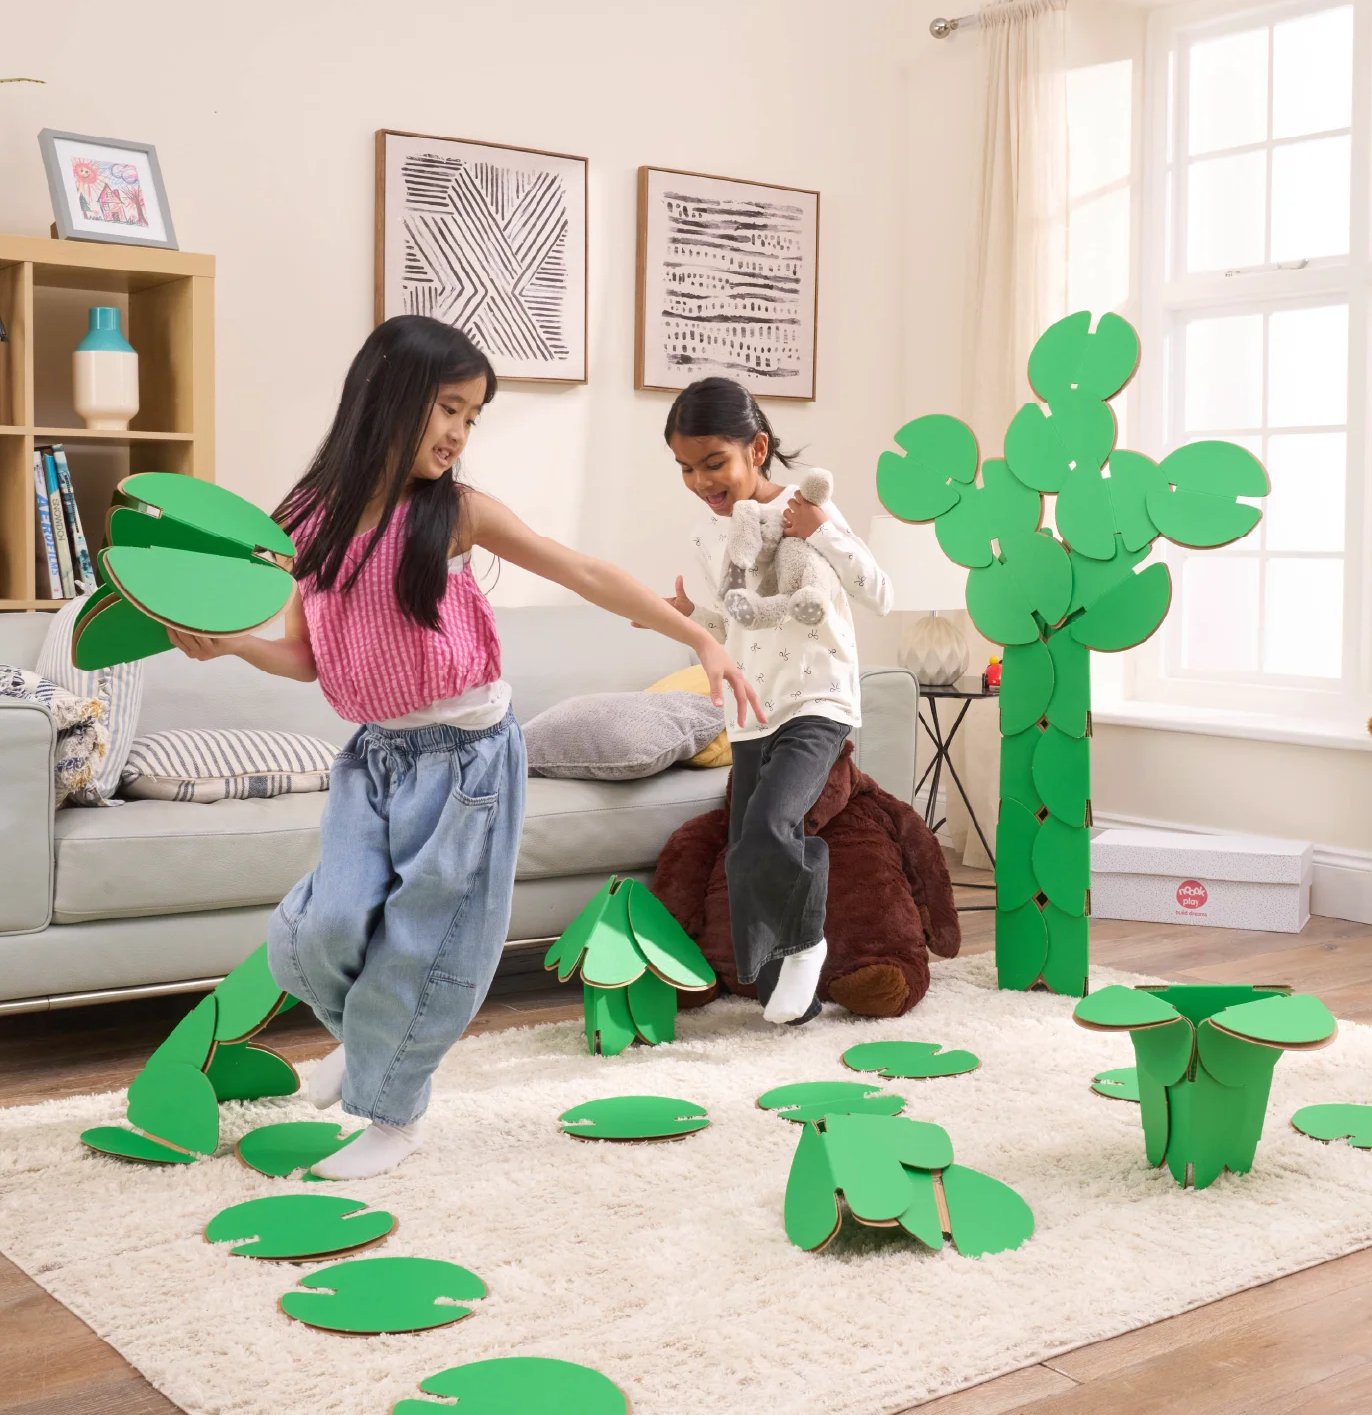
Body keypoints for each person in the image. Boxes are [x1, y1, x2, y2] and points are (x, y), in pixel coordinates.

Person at [170, 316, 762, 1178]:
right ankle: (370, 1043)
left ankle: (393, 1114)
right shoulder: (306, 517)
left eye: (472, 417)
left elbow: (581, 570)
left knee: (426, 944)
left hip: (468, 763)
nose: (458, 433)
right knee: (318, 931)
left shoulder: (454, 513)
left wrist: (700, 637)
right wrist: (234, 646)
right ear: (388, 396)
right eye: (447, 408)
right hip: (374, 759)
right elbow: (306, 655)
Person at [663, 376, 891, 1025]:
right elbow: (741, 623)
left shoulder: (806, 508)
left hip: (817, 697)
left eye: (713, 462)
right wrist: (686, 615)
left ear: (757, 449)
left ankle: (807, 942)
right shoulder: (709, 536)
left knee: (769, 824)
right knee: (745, 853)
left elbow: (880, 593)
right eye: (685, 467)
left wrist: (823, 532)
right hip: (750, 710)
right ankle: (790, 998)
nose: (701, 481)